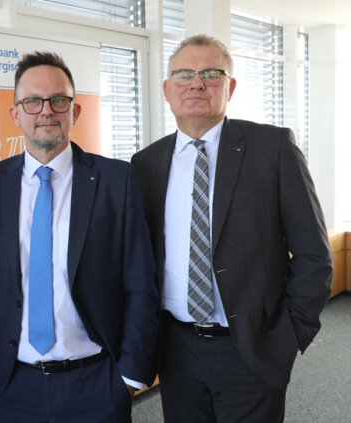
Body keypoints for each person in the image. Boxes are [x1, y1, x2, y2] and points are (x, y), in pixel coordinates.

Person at [132, 34, 333, 422]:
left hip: (251, 348)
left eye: (211, 73)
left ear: (231, 86)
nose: (196, 83)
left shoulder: (272, 149)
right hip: (175, 350)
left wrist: (289, 336)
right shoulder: (145, 164)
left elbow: (314, 256)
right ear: (167, 89)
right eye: (184, 74)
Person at [0, 51, 159, 422]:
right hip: (13, 384)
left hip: (97, 383)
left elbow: (139, 282)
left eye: (59, 100)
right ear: (16, 113)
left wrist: (129, 376)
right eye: (32, 101)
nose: (46, 111)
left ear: (75, 111)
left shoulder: (115, 180)